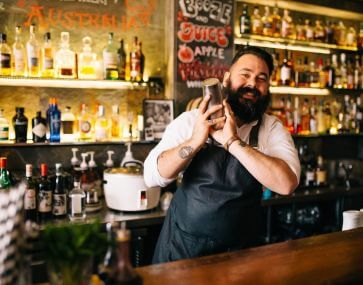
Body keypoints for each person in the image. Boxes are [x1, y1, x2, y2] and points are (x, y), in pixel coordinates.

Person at [144, 46, 300, 264]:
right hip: (181, 252)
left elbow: (287, 184)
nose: (252, 84)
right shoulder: (191, 121)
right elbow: (152, 176)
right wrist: (195, 141)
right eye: (245, 75)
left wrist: (232, 142)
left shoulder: (271, 129)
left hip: (238, 257)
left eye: (261, 78)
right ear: (226, 78)